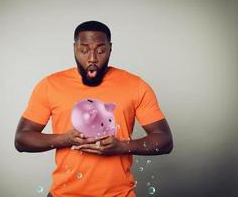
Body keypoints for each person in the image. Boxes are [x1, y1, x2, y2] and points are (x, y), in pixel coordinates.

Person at [15, 20, 173, 197]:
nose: (92, 58)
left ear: (110, 49)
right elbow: (21, 139)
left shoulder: (136, 86)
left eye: (100, 50)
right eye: (84, 50)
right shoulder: (50, 85)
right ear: (74, 48)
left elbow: (165, 140)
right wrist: (65, 139)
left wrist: (121, 146)